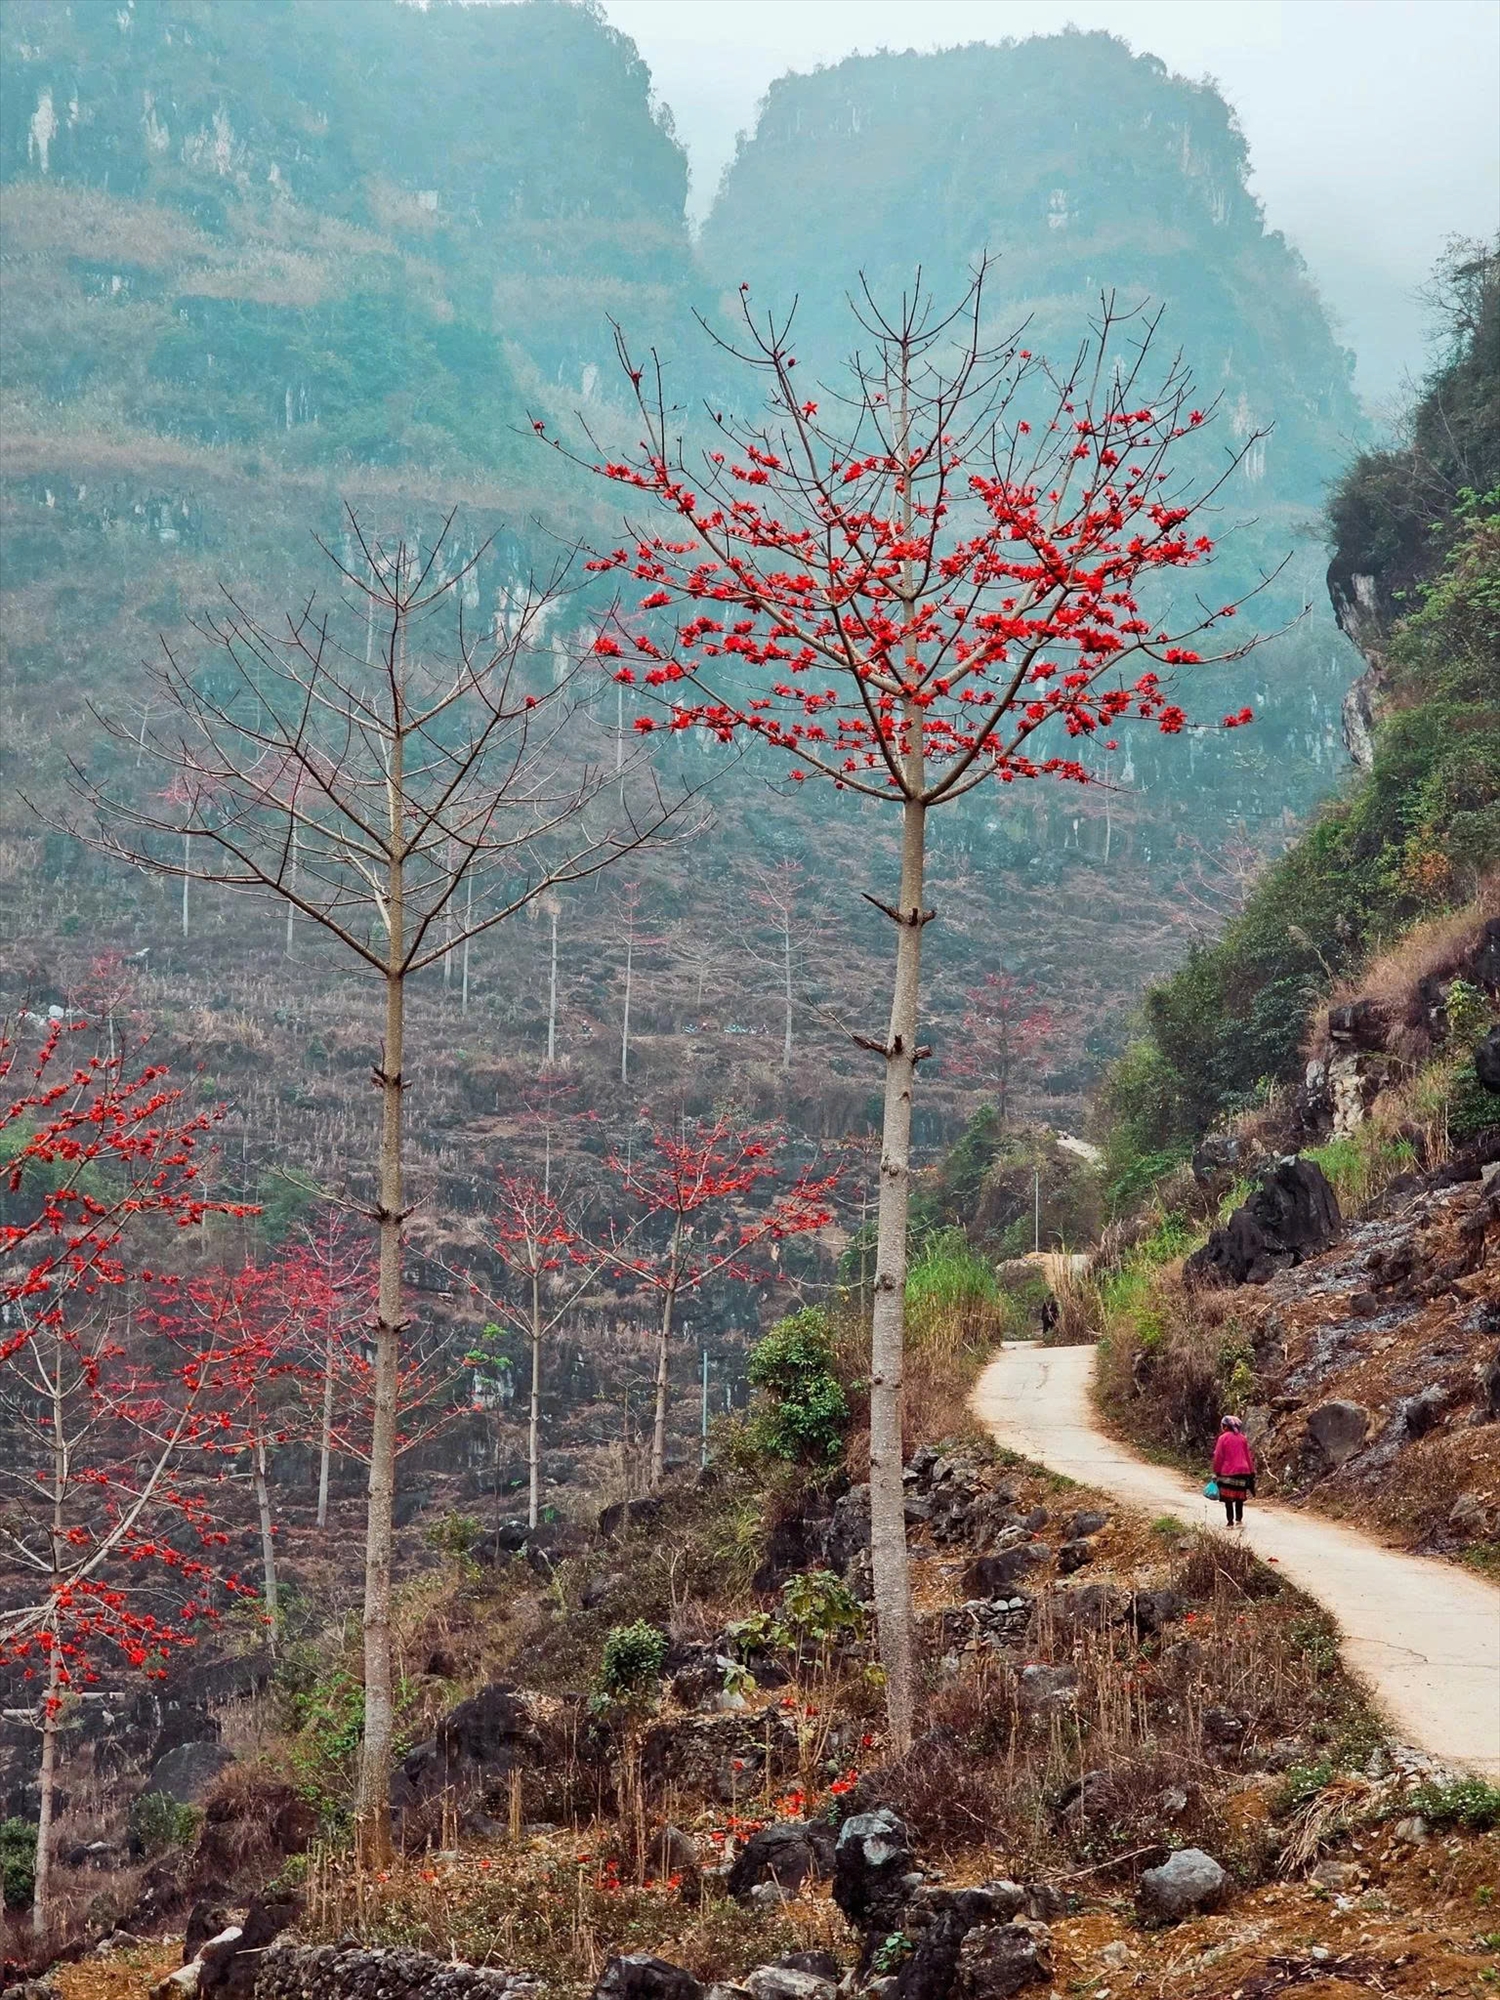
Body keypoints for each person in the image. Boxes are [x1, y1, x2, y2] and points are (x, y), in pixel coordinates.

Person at [1211, 1416, 1256, 1528]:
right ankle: (1239, 1519)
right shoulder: (1243, 1438)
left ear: (1226, 1427)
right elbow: (1248, 1456)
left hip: (1227, 1471)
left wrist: (1216, 1471)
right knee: (1240, 1496)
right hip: (1243, 1471)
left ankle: (1230, 1521)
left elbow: (1218, 1456)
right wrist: (1251, 1471)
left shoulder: (1222, 1438)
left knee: (1228, 1498)